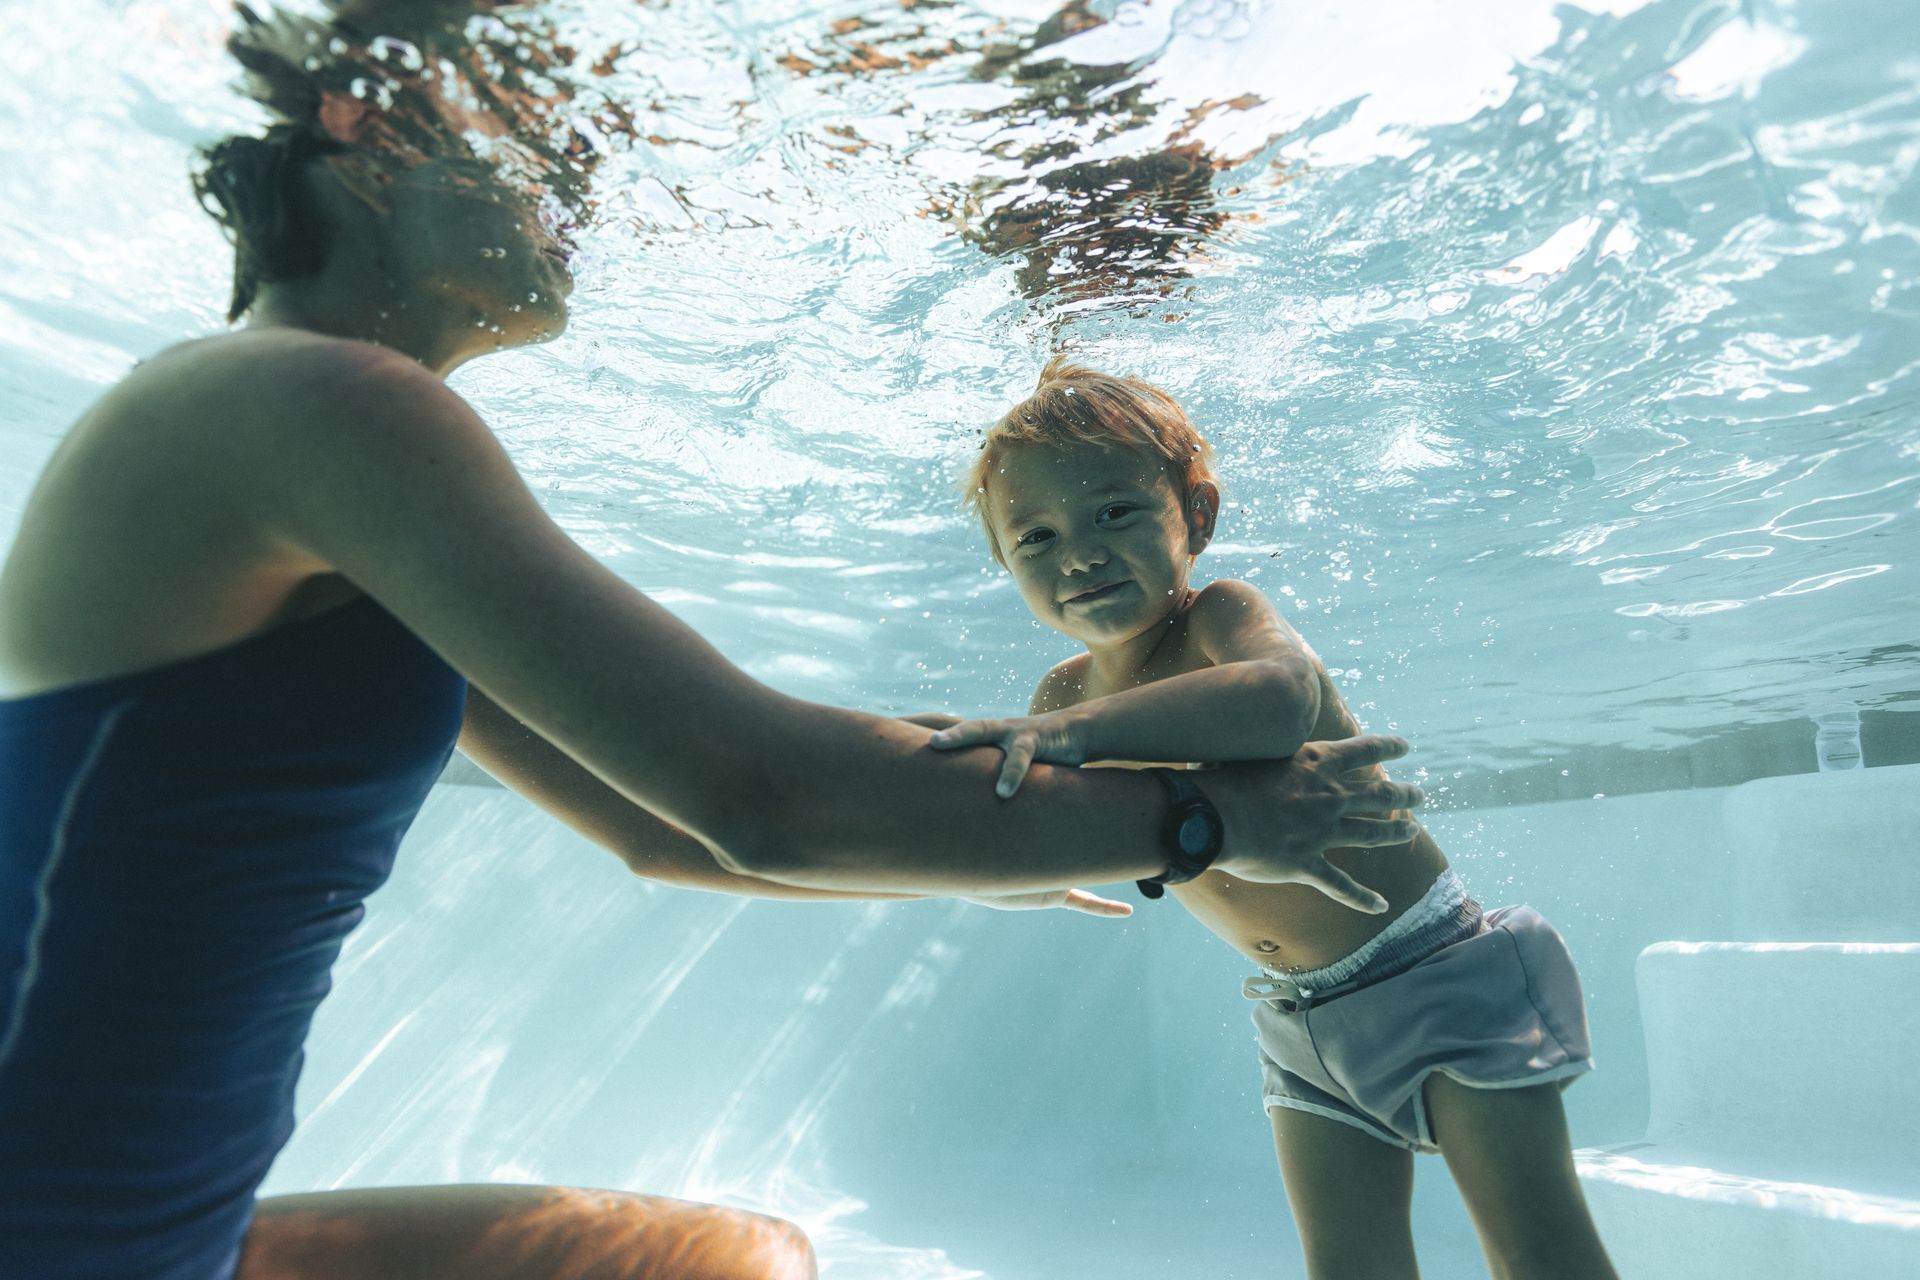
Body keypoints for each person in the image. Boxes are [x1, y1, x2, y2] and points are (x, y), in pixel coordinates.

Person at [0, 62, 1429, 1280]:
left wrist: (991, 822)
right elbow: (759, 797)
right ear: (377, 133)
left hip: (142, 1226)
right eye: (544, 142)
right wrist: (1208, 820)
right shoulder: (313, 398)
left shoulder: (308, 442)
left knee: (737, 1259)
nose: (586, 183)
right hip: (61, 1235)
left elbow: (663, 830)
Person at [927, 358, 1617, 1280]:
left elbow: (1281, 698)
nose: (1079, 554)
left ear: (1197, 516)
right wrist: (1009, 879)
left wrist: (1069, 738)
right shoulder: (1060, 694)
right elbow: (1036, 828)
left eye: (1115, 513)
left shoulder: (1217, 619)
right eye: (1036, 538)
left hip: (1436, 974)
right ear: (1005, 564)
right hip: (1298, 1028)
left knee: (1541, 1256)